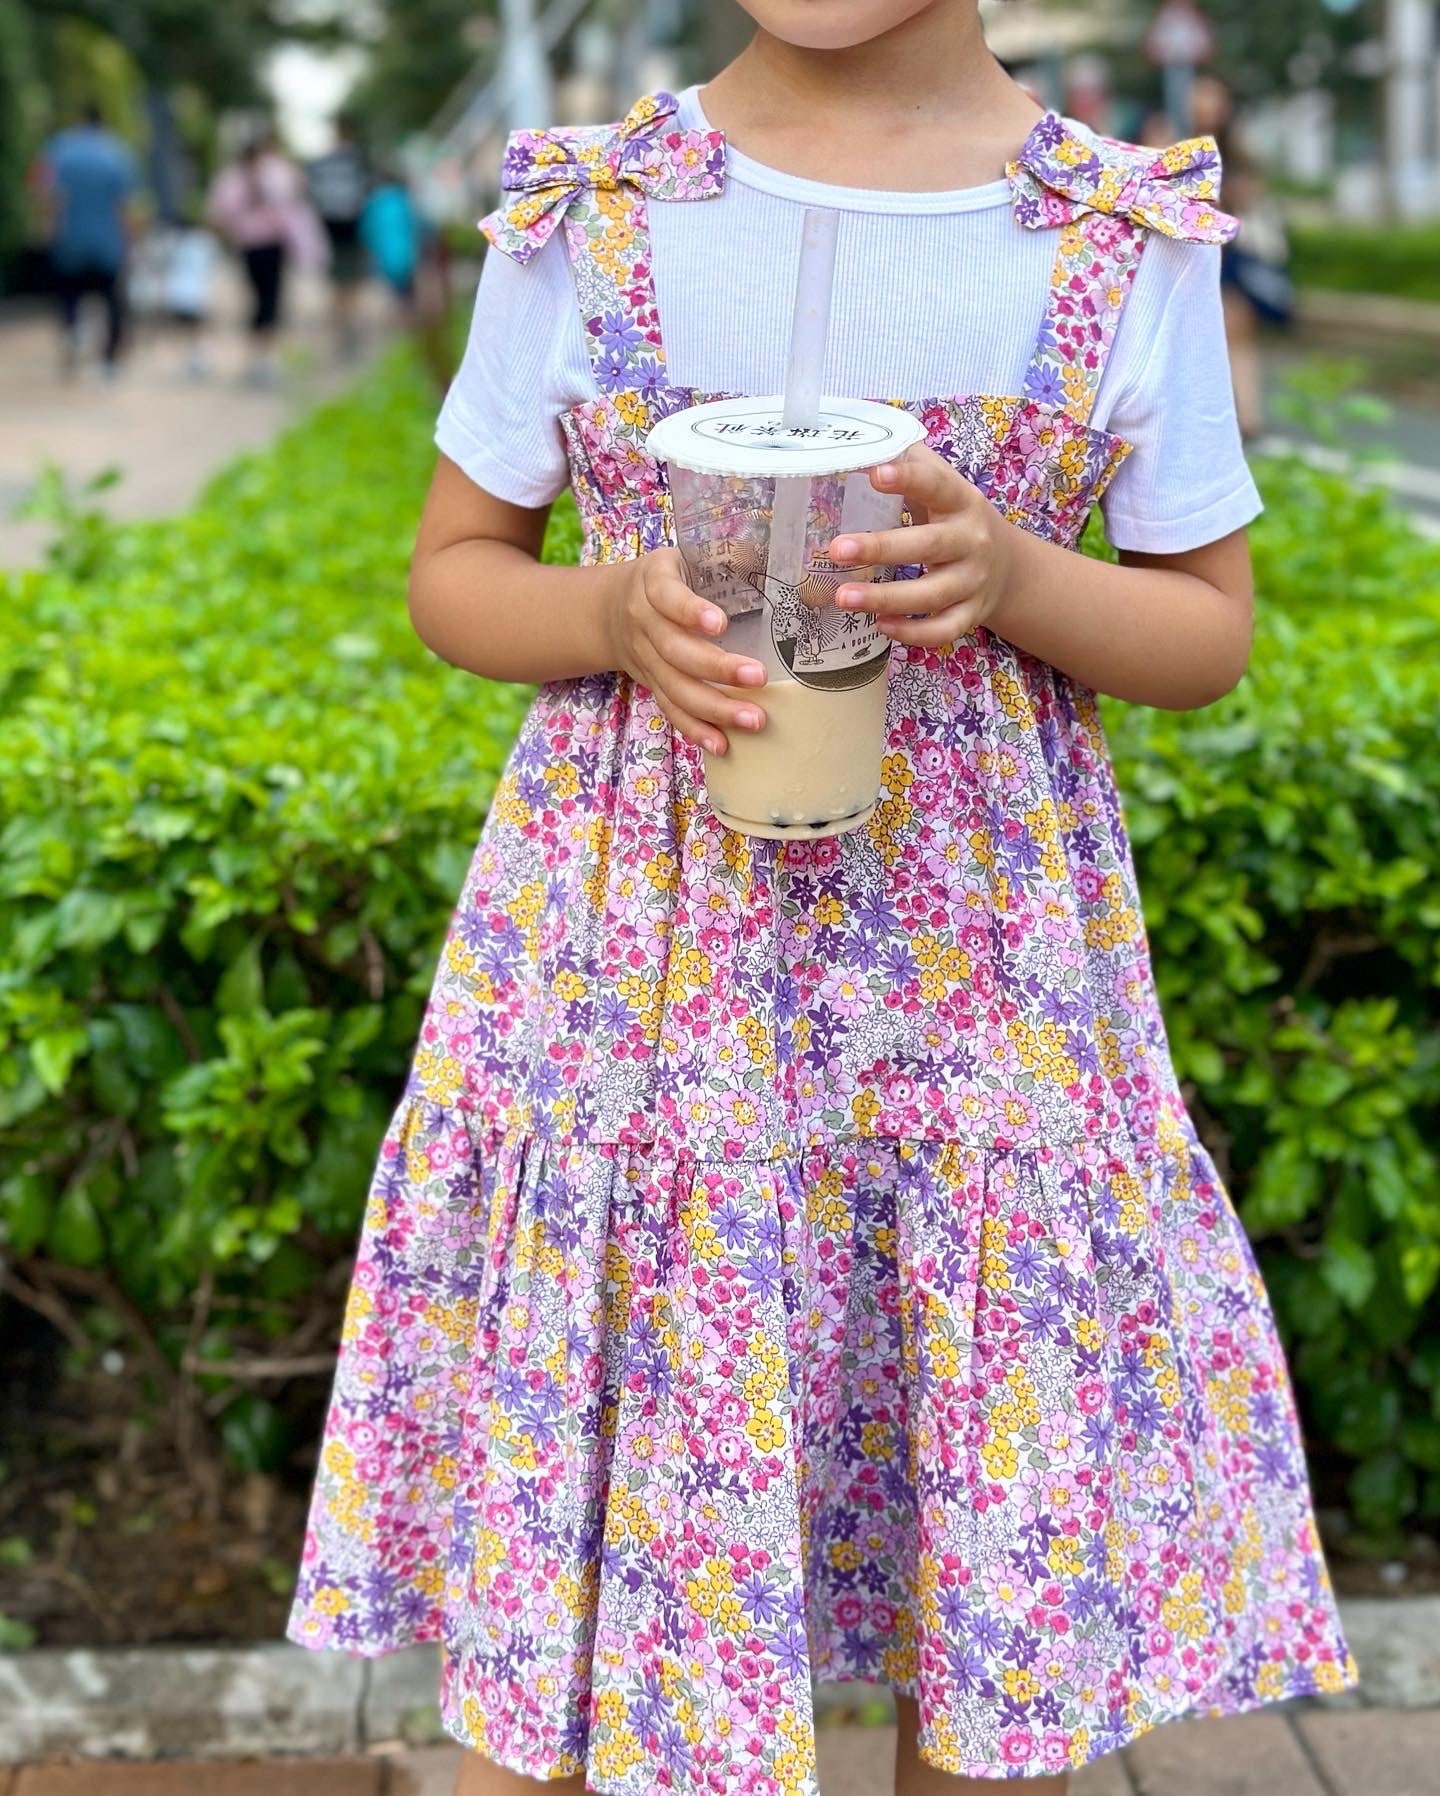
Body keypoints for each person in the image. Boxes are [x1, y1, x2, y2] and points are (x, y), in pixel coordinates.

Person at [288, 5, 1357, 1794]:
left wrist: (1016, 572)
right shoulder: (600, 213)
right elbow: (459, 576)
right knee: (597, 1561)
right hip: (635, 1002)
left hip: (980, 1014)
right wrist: (613, 610)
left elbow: (1206, 631)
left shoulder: (1112, 235)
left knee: (986, 1570)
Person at [207, 126, 325, 386]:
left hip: (265, 244)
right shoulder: (254, 176)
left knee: (266, 299)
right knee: (263, 299)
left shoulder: (262, 175)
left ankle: (261, 355)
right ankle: (260, 355)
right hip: (257, 245)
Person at [33, 103, 139, 378]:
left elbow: (48, 197)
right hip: (108, 242)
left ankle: (71, 333)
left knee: (70, 296)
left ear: (80, 121)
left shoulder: (58, 149)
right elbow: (124, 205)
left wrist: (48, 231)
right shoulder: (117, 153)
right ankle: (108, 362)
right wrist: (130, 241)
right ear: (101, 124)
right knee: (112, 301)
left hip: (70, 239)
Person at [308, 115, 372, 361]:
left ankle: (342, 324)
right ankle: (345, 324)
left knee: (339, 281)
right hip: (352, 228)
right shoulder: (358, 161)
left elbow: (314, 196)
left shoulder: (324, 163)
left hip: (334, 228)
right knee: (350, 280)